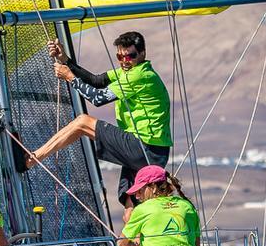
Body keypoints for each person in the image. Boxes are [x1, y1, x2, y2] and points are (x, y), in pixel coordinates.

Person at [26, 32, 171, 220]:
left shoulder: (140, 76)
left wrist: (70, 77)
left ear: (143, 54)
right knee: (130, 210)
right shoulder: (126, 71)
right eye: (120, 56)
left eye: (130, 56)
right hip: (149, 151)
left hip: (145, 148)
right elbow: (96, 80)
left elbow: (97, 97)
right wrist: (65, 60)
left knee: (83, 122)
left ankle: (32, 159)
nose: (125, 61)